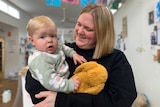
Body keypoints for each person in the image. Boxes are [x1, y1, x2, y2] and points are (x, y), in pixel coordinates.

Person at [25, 3, 137, 107]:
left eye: (88, 29)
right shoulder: (59, 50)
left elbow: (123, 100)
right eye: (79, 24)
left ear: (102, 34)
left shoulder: (116, 58)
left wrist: (63, 100)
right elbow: (35, 87)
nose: (79, 31)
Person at [25, 16, 87, 103]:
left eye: (53, 36)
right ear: (32, 41)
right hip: (56, 87)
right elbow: (50, 81)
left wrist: (74, 54)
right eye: (42, 37)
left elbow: (64, 48)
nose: (49, 40)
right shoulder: (40, 60)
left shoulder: (55, 47)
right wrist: (69, 84)